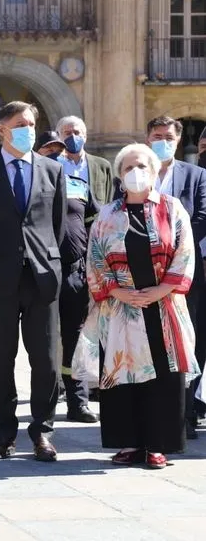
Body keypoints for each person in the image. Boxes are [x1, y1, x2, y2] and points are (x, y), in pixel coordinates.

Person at [73, 143, 198, 469]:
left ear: (156, 171)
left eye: (142, 165)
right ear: (119, 174)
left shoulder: (173, 210)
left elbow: (185, 254)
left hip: (164, 305)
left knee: (162, 378)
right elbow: (95, 259)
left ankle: (158, 445)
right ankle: (128, 443)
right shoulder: (107, 215)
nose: (136, 172)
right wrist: (118, 291)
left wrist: (161, 289)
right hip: (120, 308)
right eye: (128, 167)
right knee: (121, 376)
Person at [0, 100, 66, 462]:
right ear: (1, 129)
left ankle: (43, 431)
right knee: (0, 359)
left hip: (42, 278)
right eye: (20, 123)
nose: (28, 129)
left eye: (32, 123)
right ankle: (4, 432)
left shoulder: (53, 170)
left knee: (47, 361)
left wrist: (46, 259)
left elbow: (56, 226)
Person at [142, 116, 206, 440]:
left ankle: (186, 412)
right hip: (142, 276)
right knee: (149, 341)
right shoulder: (134, 173)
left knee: (187, 342)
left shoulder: (196, 176)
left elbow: (202, 217)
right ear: (147, 137)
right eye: (157, 135)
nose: (163, 140)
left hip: (183, 276)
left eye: (168, 136)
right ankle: (150, 410)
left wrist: (169, 245)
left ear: (178, 140)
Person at [52, 143, 101, 424]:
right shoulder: (39, 184)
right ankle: (45, 402)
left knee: (75, 340)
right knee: (44, 341)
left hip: (75, 274)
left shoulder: (80, 186)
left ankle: (77, 402)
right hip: (43, 274)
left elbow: (95, 224)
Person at [56, 115, 114, 205]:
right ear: (59, 137)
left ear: (85, 137)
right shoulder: (53, 165)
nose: (73, 137)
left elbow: (109, 199)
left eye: (76, 132)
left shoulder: (102, 166)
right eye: (67, 133)